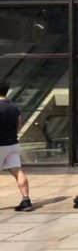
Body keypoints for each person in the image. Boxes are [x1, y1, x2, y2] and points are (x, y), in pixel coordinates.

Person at [0, 80, 31, 211]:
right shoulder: (14, 106)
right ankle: (26, 200)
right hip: (13, 144)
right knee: (17, 171)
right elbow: (20, 125)